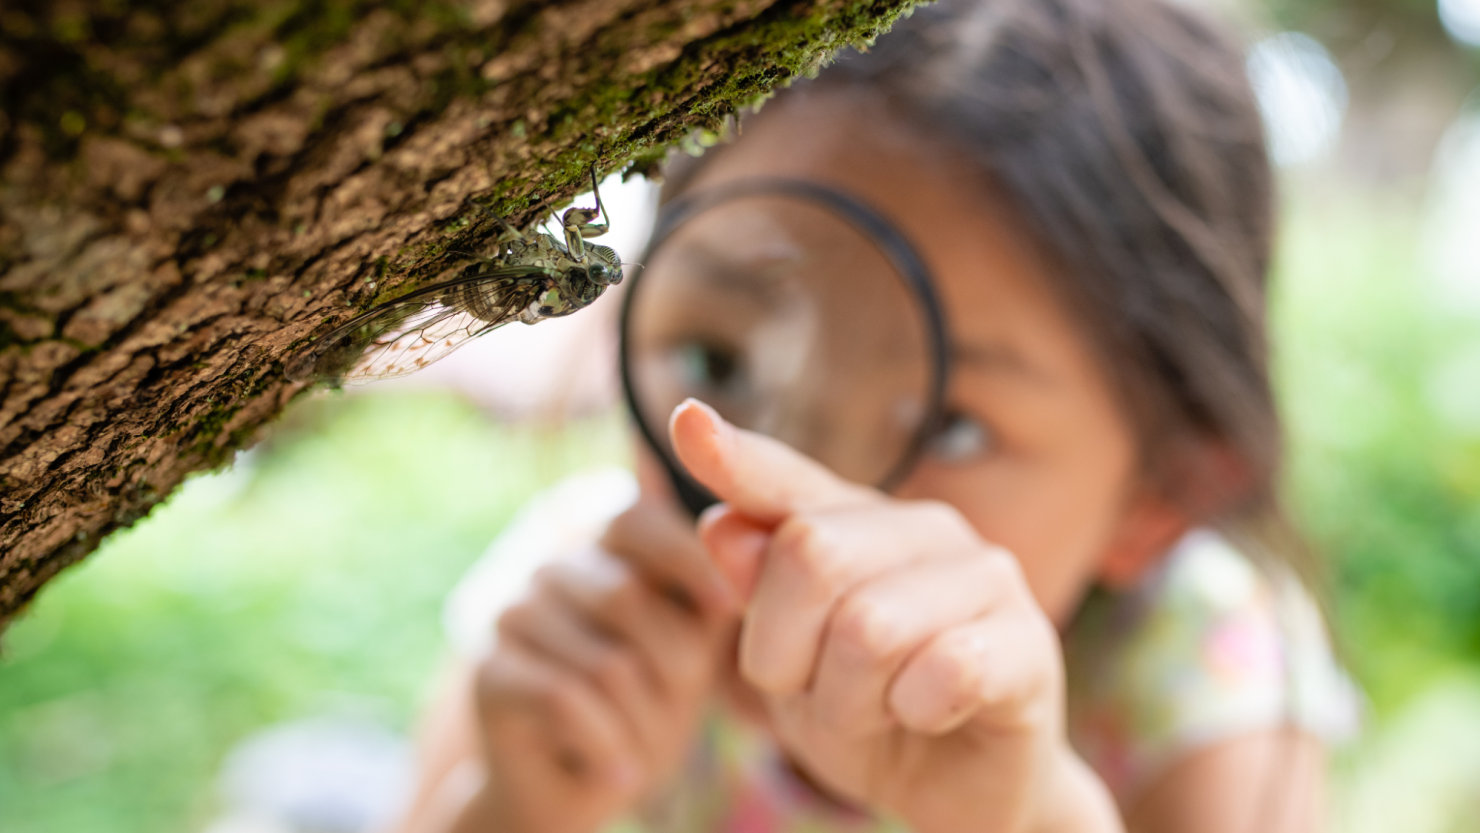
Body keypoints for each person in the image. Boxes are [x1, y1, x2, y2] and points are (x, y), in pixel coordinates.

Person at [392, 0, 1358, 830]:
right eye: (717, 360)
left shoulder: (1200, 662)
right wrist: (511, 804)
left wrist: (1033, 815)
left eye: (949, 427)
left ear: (1165, 495)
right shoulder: (573, 600)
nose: (791, 498)